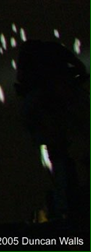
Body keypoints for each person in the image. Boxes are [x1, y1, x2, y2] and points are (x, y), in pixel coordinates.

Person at [14, 40, 89, 226]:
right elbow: (81, 70)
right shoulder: (56, 55)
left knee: (59, 158)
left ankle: (65, 207)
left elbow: (22, 81)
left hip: (47, 109)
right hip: (64, 104)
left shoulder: (29, 59)